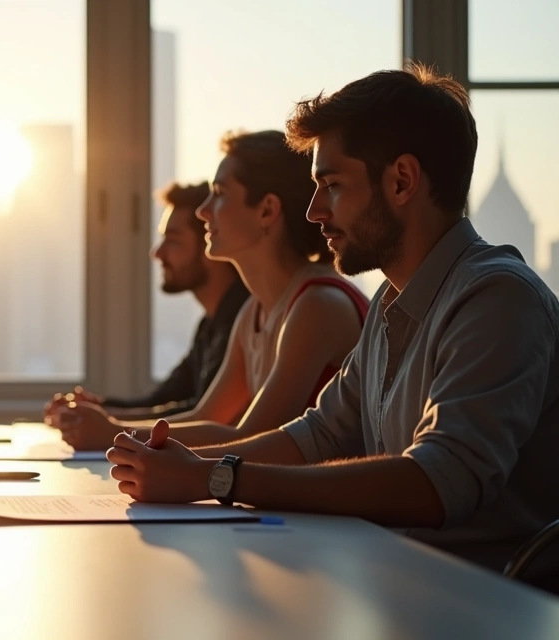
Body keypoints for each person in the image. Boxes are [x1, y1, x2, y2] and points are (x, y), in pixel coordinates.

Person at [108, 63, 559, 582]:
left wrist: (216, 478)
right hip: (397, 585)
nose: (315, 210)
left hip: (482, 604)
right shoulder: (392, 303)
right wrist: (181, 466)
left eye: (333, 185)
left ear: (402, 181)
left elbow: (437, 482)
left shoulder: (498, 298)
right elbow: (316, 437)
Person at [59, 130, 368, 450]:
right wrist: (110, 426)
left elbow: (251, 439)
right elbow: (207, 416)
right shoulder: (254, 312)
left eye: (219, 193)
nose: (203, 211)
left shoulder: (317, 306)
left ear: (266, 210)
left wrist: (113, 432)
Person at [45, 182, 248, 422]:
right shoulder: (210, 325)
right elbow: (163, 399)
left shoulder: (242, 317)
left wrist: (108, 422)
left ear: (210, 241)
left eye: (172, 240)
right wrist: (98, 408)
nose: (157, 253)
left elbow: (204, 416)